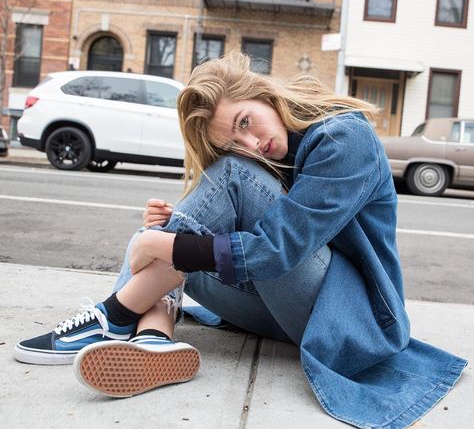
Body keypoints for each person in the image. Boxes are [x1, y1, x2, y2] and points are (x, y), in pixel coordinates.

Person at [14, 53, 466, 427]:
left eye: (246, 121)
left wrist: (168, 246)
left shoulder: (344, 138)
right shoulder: (277, 150)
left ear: (263, 94)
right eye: (235, 141)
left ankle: (116, 315)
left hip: (354, 318)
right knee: (157, 232)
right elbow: (242, 245)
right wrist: (171, 232)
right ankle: (154, 338)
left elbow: (276, 251)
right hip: (292, 310)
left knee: (195, 212)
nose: (251, 144)